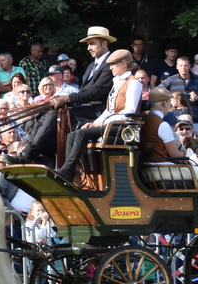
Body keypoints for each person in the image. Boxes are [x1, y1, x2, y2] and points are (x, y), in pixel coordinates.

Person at [28, 26, 116, 168]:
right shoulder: (90, 66)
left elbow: (97, 91)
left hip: (98, 110)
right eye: (88, 44)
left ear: (104, 43)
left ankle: (30, 153)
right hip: (85, 107)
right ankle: (44, 155)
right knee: (45, 114)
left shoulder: (111, 65)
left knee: (55, 115)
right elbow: (85, 91)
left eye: (92, 43)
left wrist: (67, 98)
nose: (88, 48)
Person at [55, 46, 139, 182]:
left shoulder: (133, 83)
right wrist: (95, 122)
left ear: (124, 64)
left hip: (123, 128)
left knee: (81, 134)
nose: (110, 68)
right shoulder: (116, 83)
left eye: (113, 65)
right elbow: (109, 109)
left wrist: (104, 122)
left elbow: (130, 112)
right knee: (72, 134)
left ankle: (67, 171)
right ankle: (70, 172)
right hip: (111, 124)